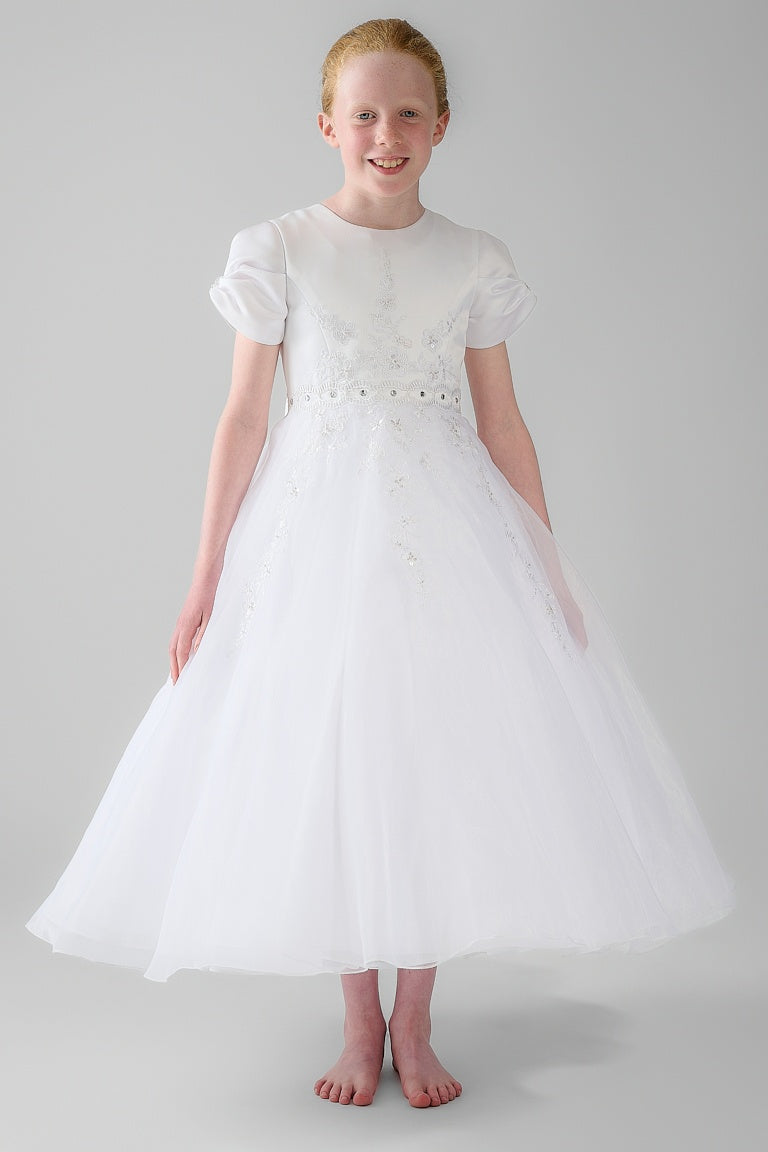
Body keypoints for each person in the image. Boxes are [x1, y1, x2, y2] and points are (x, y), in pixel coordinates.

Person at [26, 17, 736, 1111]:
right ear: (327, 126)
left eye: (408, 113)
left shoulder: (474, 257)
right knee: (340, 758)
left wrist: (546, 566)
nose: (386, 134)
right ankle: (360, 1020)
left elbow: (503, 425)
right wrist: (205, 577)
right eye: (364, 114)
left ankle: (416, 1018)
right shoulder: (279, 246)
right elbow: (243, 420)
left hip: (447, 537)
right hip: (315, 539)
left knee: (430, 756)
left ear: (442, 126)